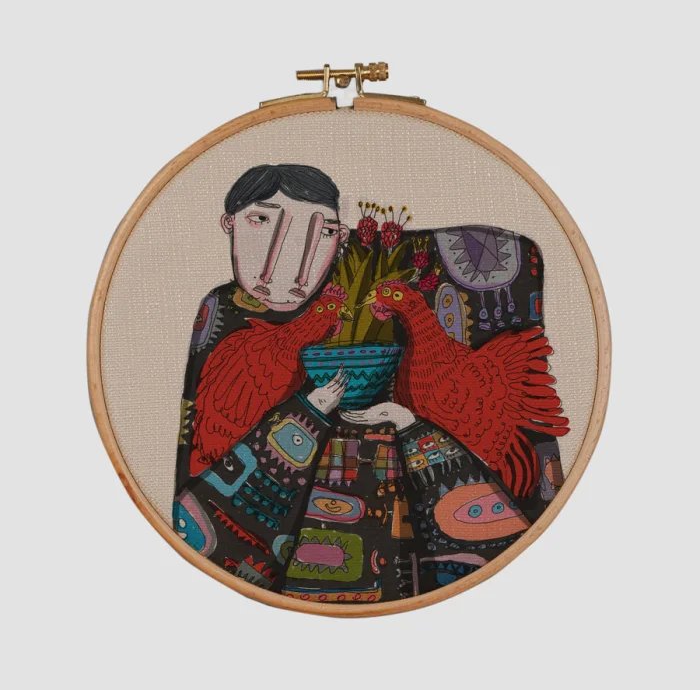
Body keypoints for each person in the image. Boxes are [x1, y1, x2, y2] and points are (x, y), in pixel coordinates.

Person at [173, 164, 565, 602]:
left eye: (321, 233)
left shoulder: (389, 312)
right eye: (261, 220)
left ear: (341, 238)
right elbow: (204, 495)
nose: (284, 266)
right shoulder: (223, 314)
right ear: (229, 224)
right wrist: (307, 413)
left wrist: (407, 424)